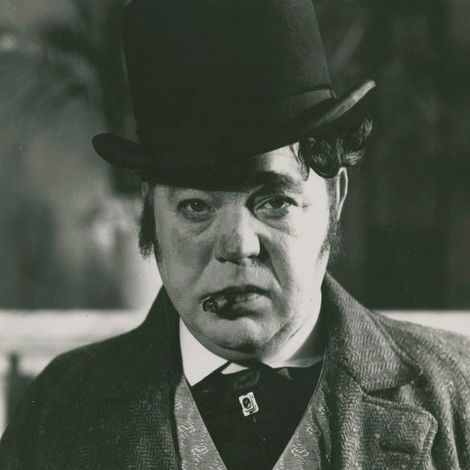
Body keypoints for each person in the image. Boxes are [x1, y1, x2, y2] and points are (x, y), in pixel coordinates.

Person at [1, 0, 469, 468]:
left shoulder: (456, 396)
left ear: (335, 198)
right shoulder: (60, 413)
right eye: (196, 207)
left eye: (274, 202)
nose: (238, 245)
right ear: (152, 213)